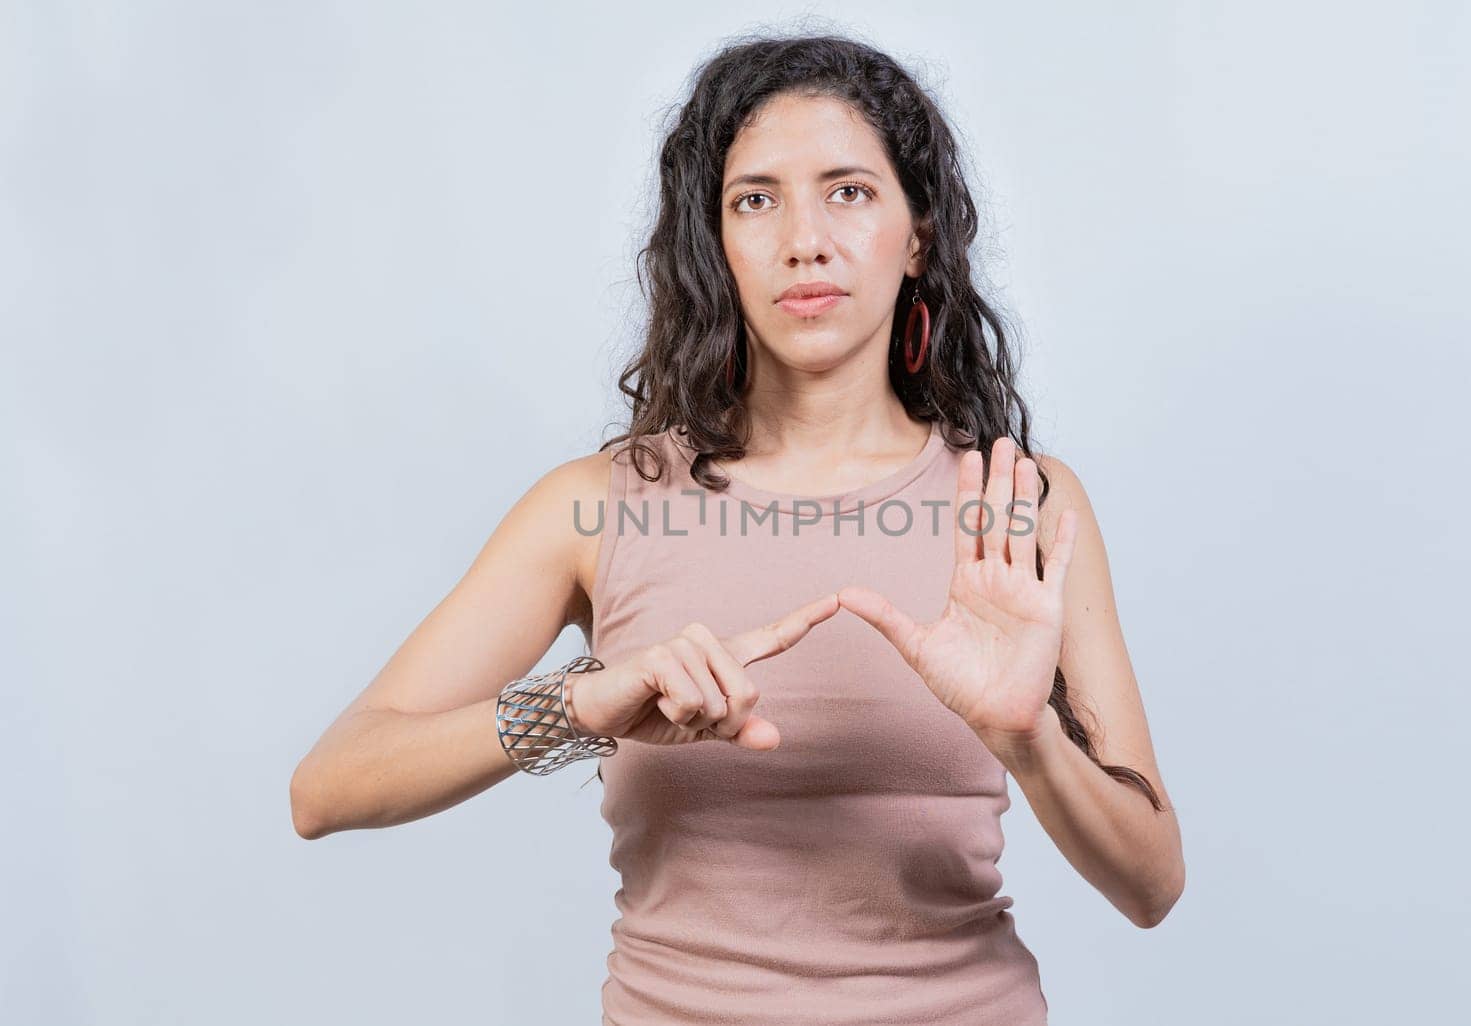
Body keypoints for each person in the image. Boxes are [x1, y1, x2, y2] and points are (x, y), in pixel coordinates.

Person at [290, 32, 1184, 1024]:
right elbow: (328, 787)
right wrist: (582, 705)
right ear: (713, 242)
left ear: (916, 232)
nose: (804, 238)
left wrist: (1029, 741)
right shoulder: (595, 509)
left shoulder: (1021, 506)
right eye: (755, 199)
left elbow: (1151, 885)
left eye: (848, 190)